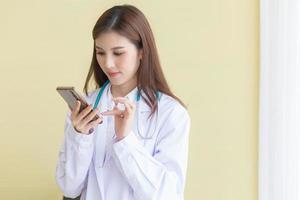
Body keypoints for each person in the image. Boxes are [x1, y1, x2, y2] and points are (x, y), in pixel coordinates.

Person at [55, 4, 191, 200]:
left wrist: (125, 140)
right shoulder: (85, 109)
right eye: (100, 52)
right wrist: (79, 137)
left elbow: (167, 195)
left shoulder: (171, 113)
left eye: (118, 53)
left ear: (142, 51)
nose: (108, 63)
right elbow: (70, 188)